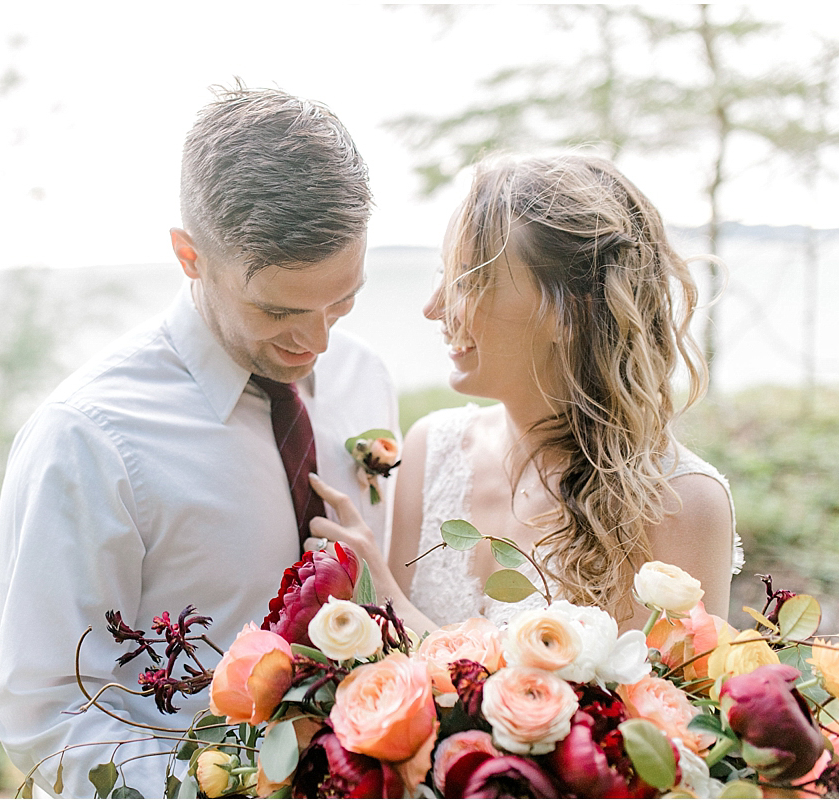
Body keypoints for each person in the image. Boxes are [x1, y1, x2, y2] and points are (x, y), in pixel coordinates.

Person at [0, 85, 398, 798]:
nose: (319, 341)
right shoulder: (87, 439)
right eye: (278, 310)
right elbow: (48, 714)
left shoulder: (365, 377)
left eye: (343, 299)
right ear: (188, 255)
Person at [308, 153, 741, 635]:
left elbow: (664, 709)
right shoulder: (431, 450)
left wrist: (386, 599)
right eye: (443, 276)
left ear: (568, 312)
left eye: (471, 280)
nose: (434, 309)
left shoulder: (682, 503)